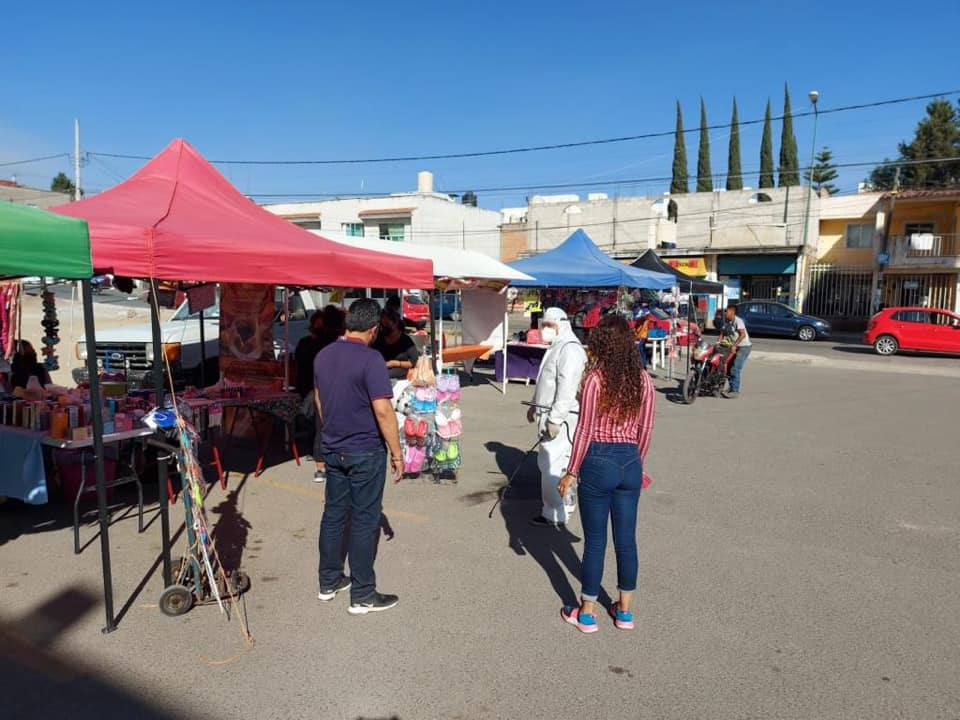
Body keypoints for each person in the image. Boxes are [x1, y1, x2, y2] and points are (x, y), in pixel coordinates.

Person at [557, 314, 656, 633]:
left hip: (597, 460)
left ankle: (586, 613)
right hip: (629, 460)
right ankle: (624, 611)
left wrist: (571, 470)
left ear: (601, 343)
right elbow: (646, 428)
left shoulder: (595, 380)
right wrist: (637, 462)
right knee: (626, 540)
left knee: (596, 540)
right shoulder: (644, 381)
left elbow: (584, 428)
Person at [313, 298, 404, 614]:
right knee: (365, 520)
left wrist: (332, 429)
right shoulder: (371, 359)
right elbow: (383, 410)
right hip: (364, 450)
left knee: (334, 515)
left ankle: (329, 581)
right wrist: (397, 454)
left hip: (334, 448)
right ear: (374, 328)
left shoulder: (323, 355)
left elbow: (320, 400)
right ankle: (363, 594)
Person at [526, 307, 587, 528]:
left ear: (561, 324)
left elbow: (567, 388)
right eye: (543, 325)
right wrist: (534, 406)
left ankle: (554, 512)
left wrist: (555, 419)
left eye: (549, 326)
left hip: (560, 417)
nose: (545, 330)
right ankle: (562, 505)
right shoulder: (557, 346)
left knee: (552, 463)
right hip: (548, 412)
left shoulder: (570, 349)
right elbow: (545, 380)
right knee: (557, 463)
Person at [295, 306, 345, 482]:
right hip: (324, 389)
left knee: (320, 425)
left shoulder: (315, 344)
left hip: (316, 389)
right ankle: (324, 464)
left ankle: (321, 466)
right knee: (323, 426)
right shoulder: (334, 344)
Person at [372, 308, 420, 380]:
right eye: (382, 325)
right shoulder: (378, 338)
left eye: (387, 324)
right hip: (380, 372)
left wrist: (395, 363)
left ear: (395, 323)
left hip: (400, 375)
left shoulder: (405, 340)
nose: (384, 327)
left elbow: (413, 362)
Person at [720, 304, 751, 399]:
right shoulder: (727, 322)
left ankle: (735, 391)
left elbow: (742, 335)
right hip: (733, 347)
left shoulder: (738, 321)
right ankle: (731, 388)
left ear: (732, 312)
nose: (725, 312)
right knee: (727, 367)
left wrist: (734, 345)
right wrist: (719, 342)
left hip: (743, 347)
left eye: (727, 311)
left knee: (735, 368)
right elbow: (722, 333)